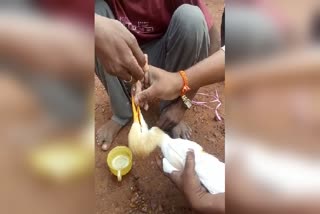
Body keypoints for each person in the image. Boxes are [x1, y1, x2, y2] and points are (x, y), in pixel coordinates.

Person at [95, 0, 221, 150]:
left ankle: (170, 106)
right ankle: (121, 112)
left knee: (191, 19)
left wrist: (183, 105)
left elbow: (215, 42)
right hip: (123, 59)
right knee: (92, 16)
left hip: (165, 57)